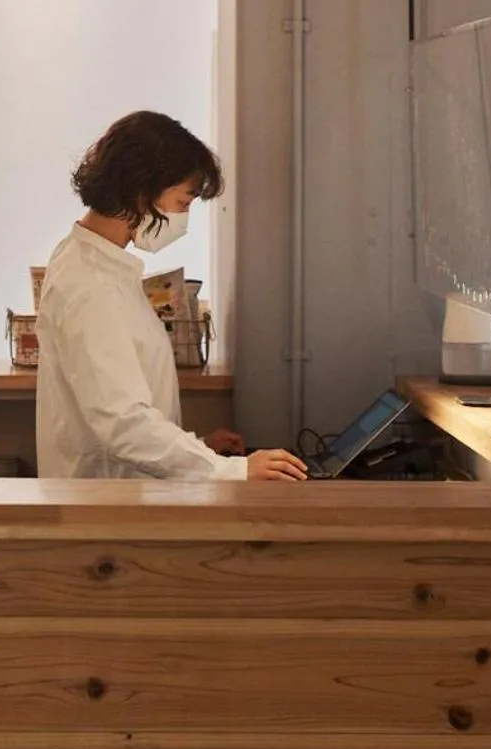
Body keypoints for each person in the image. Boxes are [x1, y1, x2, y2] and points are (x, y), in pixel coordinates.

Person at [36, 111, 308, 482]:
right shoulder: (89, 285)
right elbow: (122, 424)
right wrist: (231, 469)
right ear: (142, 189)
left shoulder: (103, 267)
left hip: (125, 490)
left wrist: (196, 449)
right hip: (107, 507)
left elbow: (123, 402)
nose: (184, 218)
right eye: (183, 202)